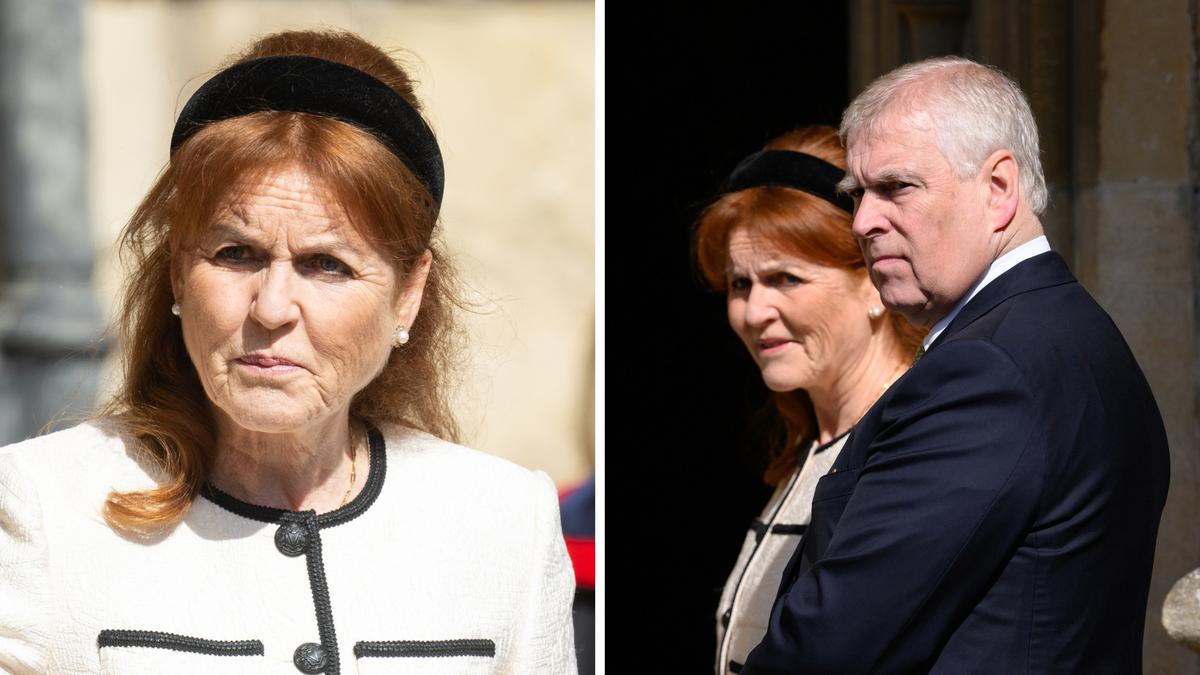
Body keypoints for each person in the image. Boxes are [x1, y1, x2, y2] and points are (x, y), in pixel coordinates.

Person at [0, 30, 576, 674]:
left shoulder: (506, 523)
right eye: (235, 254)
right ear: (177, 274)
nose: (272, 308)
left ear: (408, 294)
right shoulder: (43, 509)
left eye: (326, 264)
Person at [742, 56, 1170, 674]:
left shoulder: (987, 370)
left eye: (896, 187)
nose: (863, 221)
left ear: (998, 188)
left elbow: (830, 646)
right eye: (857, 194)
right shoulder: (1069, 332)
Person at [693, 125, 923, 675]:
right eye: (740, 284)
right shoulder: (814, 450)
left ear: (873, 280)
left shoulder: (911, 444)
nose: (754, 312)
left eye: (786, 279)